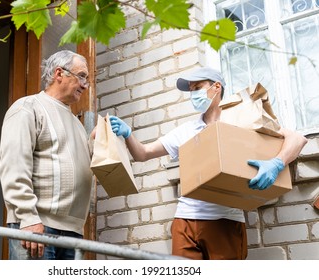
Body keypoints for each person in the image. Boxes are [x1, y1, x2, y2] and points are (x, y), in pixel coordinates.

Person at [109, 67, 307, 260]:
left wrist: (276, 164)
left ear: (216, 87)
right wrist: (128, 134)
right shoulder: (187, 131)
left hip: (225, 221)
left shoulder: (241, 121)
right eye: (191, 91)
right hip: (185, 221)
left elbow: (297, 139)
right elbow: (143, 154)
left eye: (197, 88)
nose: (193, 95)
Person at [0, 50, 93, 260]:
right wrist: (28, 218)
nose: (86, 85)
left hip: (74, 233)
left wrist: (100, 140)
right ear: (59, 73)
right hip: (37, 226)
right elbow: (14, 167)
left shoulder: (77, 125)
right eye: (82, 76)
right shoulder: (27, 108)